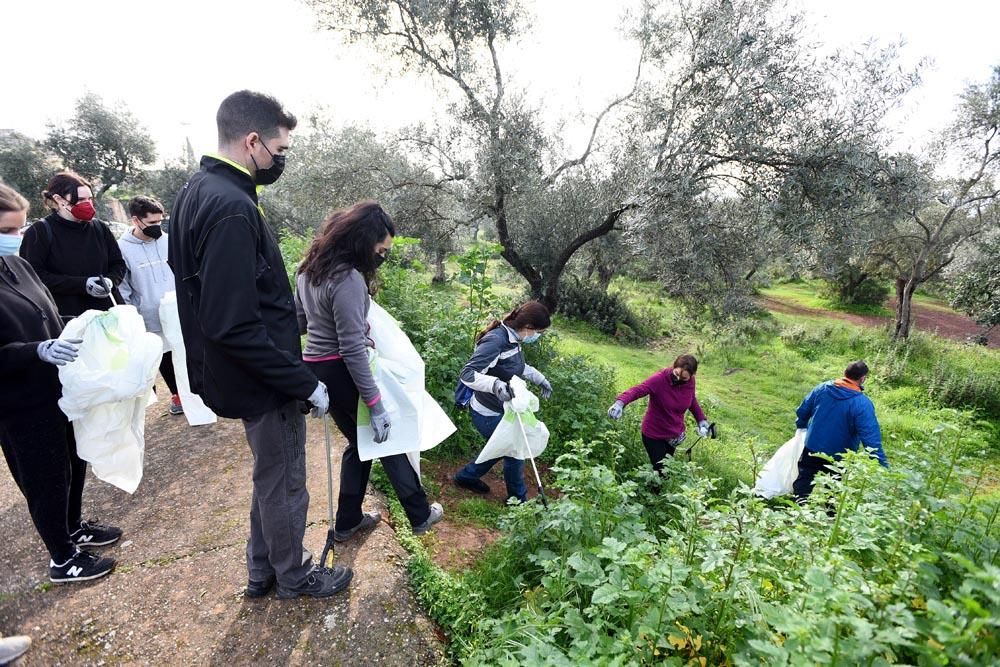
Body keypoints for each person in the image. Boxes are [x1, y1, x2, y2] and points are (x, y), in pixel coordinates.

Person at [168, 90, 352, 599]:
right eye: (279, 149)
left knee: (270, 478)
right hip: (261, 379)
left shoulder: (197, 190)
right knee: (287, 481)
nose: (281, 160)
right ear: (253, 142)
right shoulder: (230, 207)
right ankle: (295, 575)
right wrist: (303, 382)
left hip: (238, 373)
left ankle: (262, 570)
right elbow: (232, 322)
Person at [296, 201, 444, 539]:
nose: (382, 257)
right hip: (343, 369)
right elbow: (350, 348)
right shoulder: (347, 278)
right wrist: (375, 404)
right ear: (363, 241)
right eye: (381, 250)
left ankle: (347, 520)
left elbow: (300, 322)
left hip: (319, 368)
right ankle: (420, 515)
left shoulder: (307, 270)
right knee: (387, 439)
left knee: (359, 444)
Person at [0, 182, 119, 584]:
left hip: (58, 387)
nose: (16, 240)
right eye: (7, 232)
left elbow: (44, 310)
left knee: (73, 461)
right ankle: (62, 557)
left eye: (18, 230)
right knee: (45, 475)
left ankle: (73, 527)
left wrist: (77, 326)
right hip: (19, 401)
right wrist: (35, 350)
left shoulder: (16, 265)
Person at [453, 302, 553, 502]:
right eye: (538, 332)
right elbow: (467, 374)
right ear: (529, 327)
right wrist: (496, 385)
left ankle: (466, 477)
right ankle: (518, 502)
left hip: (505, 409)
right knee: (513, 451)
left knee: (502, 447)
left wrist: (539, 378)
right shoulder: (496, 341)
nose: (537, 337)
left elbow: (515, 366)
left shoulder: (514, 339)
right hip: (486, 411)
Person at [19, 171, 126, 317]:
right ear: (58, 199)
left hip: (108, 313)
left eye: (89, 198)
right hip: (67, 318)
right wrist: (83, 284)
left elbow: (118, 264)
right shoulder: (39, 231)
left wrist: (111, 281)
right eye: (81, 199)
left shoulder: (100, 228)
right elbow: (34, 276)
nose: (87, 204)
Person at [117, 196, 183, 416]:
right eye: (152, 223)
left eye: (160, 222)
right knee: (164, 354)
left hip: (178, 310)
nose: (157, 227)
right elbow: (124, 285)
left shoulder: (169, 240)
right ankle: (177, 394)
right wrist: (133, 313)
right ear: (136, 220)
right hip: (148, 314)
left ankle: (196, 392)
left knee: (186, 352)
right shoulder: (122, 248)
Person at [792, 360, 886, 501]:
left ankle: (796, 510)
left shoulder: (822, 388)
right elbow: (870, 437)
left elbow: (804, 409)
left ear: (845, 373)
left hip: (813, 445)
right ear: (863, 378)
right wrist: (882, 465)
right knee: (834, 489)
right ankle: (830, 517)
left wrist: (801, 425)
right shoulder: (862, 404)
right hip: (840, 455)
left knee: (804, 480)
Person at [607, 354, 711, 472]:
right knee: (660, 470)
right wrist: (620, 403)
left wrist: (701, 420)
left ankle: (655, 489)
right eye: (676, 374)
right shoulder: (659, 379)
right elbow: (638, 390)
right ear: (673, 367)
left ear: (692, 376)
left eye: (683, 379)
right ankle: (648, 490)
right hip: (654, 434)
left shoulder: (690, 382)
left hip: (673, 434)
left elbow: (691, 400)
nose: (678, 379)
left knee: (666, 470)